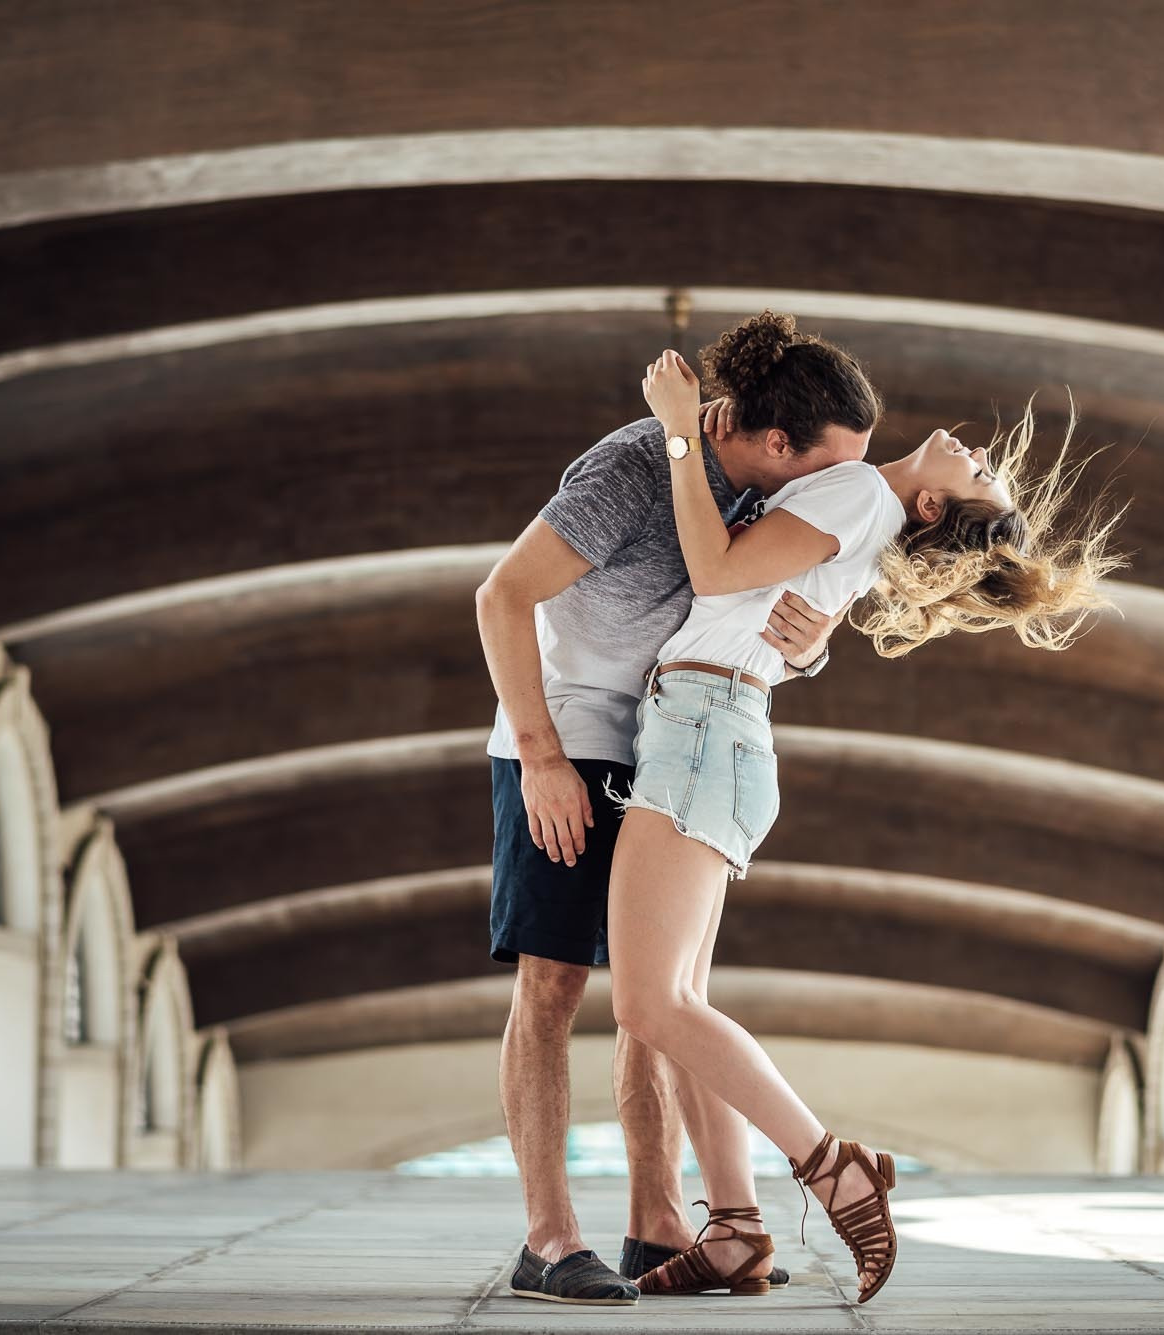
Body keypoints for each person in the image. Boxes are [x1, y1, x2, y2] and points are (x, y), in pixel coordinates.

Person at [609, 314, 1124, 1304]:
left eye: (979, 477)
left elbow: (715, 570)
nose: (977, 455)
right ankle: (734, 1229)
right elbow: (766, 601)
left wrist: (677, 428)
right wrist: (806, 643)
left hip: (702, 733)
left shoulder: (852, 493)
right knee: (679, 1008)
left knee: (649, 1005)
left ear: (932, 502)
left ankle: (828, 1168)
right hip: (720, 729)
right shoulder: (855, 506)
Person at [473, 314, 883, 1305]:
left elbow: (748, 611)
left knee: (653, 1001)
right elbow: (500, 596)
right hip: (567, 737)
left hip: (669, 742)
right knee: (554, 985)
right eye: (828, 465)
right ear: (770, 441)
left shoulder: (762, 490)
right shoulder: (628, 471)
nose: (837, 486)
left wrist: (812, 635)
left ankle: (655, 1225)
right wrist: (539, 758)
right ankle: (546, 1236)